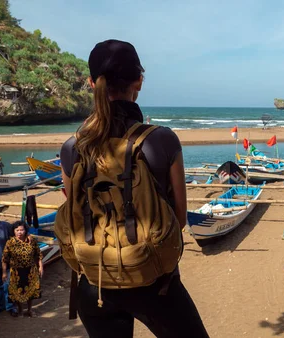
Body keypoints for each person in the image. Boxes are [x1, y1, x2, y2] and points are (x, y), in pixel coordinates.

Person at [59, 39, 208, 337]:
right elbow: (179, 219)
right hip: (154, 283)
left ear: (91, 83)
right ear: (139, 80)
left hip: (94, 282)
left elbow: (76, 212)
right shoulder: (161, 140)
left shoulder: (73, 147)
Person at [1, 221, 43, 318]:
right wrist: (4, 272)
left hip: (31, 271)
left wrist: (41, 267)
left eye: (22, 230)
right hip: (16, 271)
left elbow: (38, 255)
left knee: (31, 291)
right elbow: (4, 258)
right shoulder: (10, 242)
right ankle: (20, 310)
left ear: (25, 230)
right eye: (17, 230)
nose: (19, 232)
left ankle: (29, 310)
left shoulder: (32, 241)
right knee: (17, 292)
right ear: (14, 231)